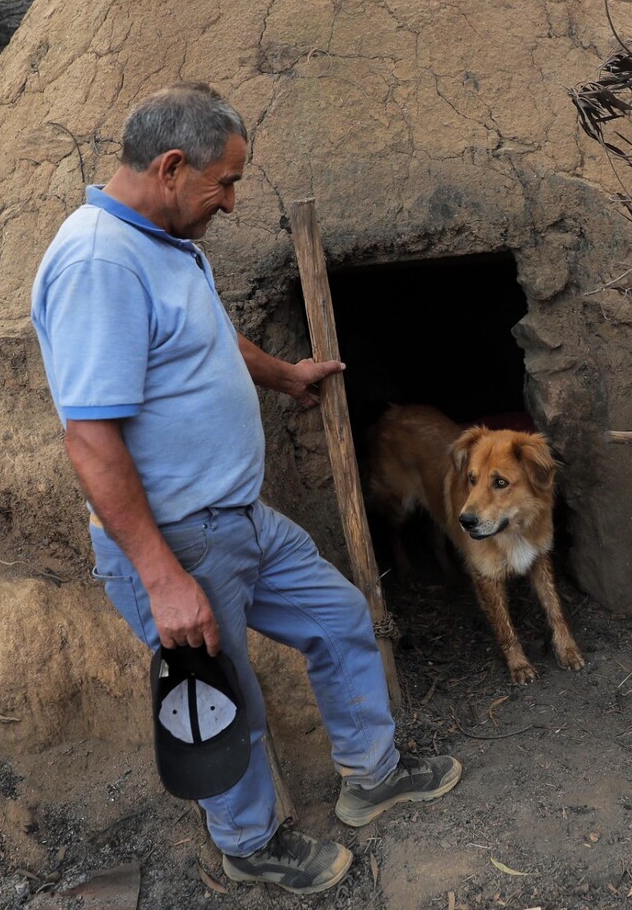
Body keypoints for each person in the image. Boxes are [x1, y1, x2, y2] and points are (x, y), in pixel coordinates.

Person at [30, 82, 460, 895]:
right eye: (223, 182)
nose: (230, 202)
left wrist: (283, 374)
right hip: (181, 539)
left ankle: (372, 773)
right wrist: (162, 577)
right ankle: (249, 842)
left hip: (238, 518)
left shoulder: (160, 242)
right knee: (226, 698)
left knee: (338, 618)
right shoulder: (99, 262)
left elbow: (209, 341)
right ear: (169, 165)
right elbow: (89, 441)